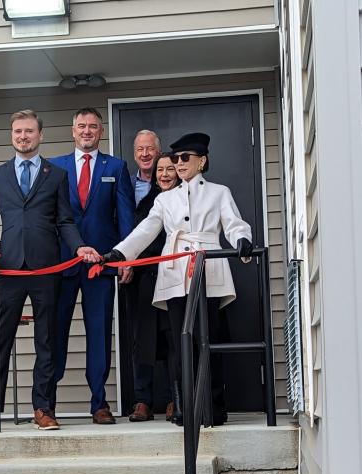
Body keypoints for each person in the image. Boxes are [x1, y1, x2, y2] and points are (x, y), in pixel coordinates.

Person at [103, 132, 253, 426]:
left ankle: (213, 407)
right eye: (175, 158)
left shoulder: (219, 192)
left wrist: (243, 240)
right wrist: (122, 253)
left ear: (202, 161)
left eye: (185, 158)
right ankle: (187, 406)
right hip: (174, 275)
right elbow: (147, 229)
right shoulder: (165, 199)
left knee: (208, 339)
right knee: (181, 343)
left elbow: (234, 224)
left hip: (208, 270)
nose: (179, 163)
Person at [0, 109, 100, 432]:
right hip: (9, 269)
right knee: (0, 341)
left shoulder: (55, 175)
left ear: (40, 135)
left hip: (46, 269)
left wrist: (79, 246)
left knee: (47, 342)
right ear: (12, 136)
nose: (23, 136)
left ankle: (43, 407)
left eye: (29, 131)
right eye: (18, 132)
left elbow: (64, 221)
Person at [49, 107, 135, 424]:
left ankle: (99, 402)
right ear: (73, 131)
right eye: (82, 126)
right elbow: (48, 217)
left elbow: (125, 216)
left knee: (99, 333)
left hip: (101, 265)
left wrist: (126, 257)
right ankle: (47, 404)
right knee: (55, 333)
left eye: (93, 127)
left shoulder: (116, 167)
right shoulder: (54, 168)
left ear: (101, 132)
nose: (87, 131)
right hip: (62, 265)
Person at [128, 153, 180, 423]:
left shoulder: (185, 200)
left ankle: (175, 398)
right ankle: (142, 401)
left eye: (170, 169)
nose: (165, 174)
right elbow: (139, 236)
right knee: (143, 340)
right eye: (161, 170)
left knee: (173, 338)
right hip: (147, 277)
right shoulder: (147, 202)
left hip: (175, 276)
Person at [131, 130, 161, 207]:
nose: (145, 154)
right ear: (135, 155)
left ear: (159, 153)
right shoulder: (127, 184)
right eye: (140, 149)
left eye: (150, 148)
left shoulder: (171, 182)